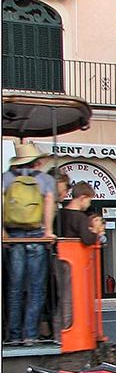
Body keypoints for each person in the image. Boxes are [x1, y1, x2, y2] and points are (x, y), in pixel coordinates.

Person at [3, 143, 56, 345]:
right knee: (36, 289)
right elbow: (49, 204)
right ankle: (30, 335)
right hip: (36, 236)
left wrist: (3, 231)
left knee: (15, 289)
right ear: (37, 162)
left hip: (15, 236)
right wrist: (48, 231)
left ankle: (14, 336)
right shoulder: (45, 180)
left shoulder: (7, 178)